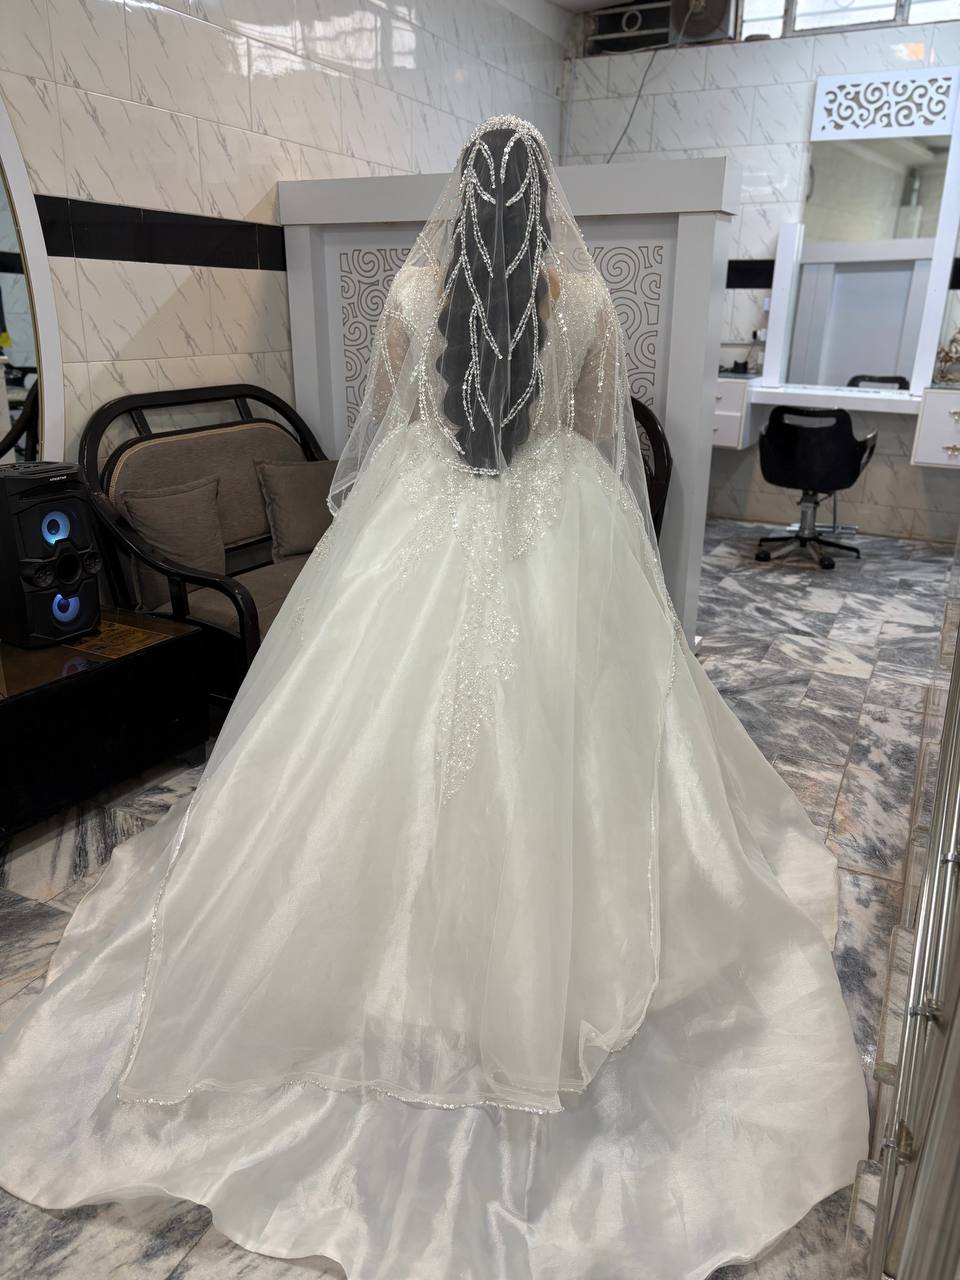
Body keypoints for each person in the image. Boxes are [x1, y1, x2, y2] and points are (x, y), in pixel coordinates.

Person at [0, 116, 867, 1279]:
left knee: (373, 743)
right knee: (573, 742)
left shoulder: (413, 291)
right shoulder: (585, 300)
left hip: (422, 518)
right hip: (559, 521)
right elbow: (594, 430)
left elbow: (392, 421)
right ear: (542, 199)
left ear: (462, 200)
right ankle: (532, 971)